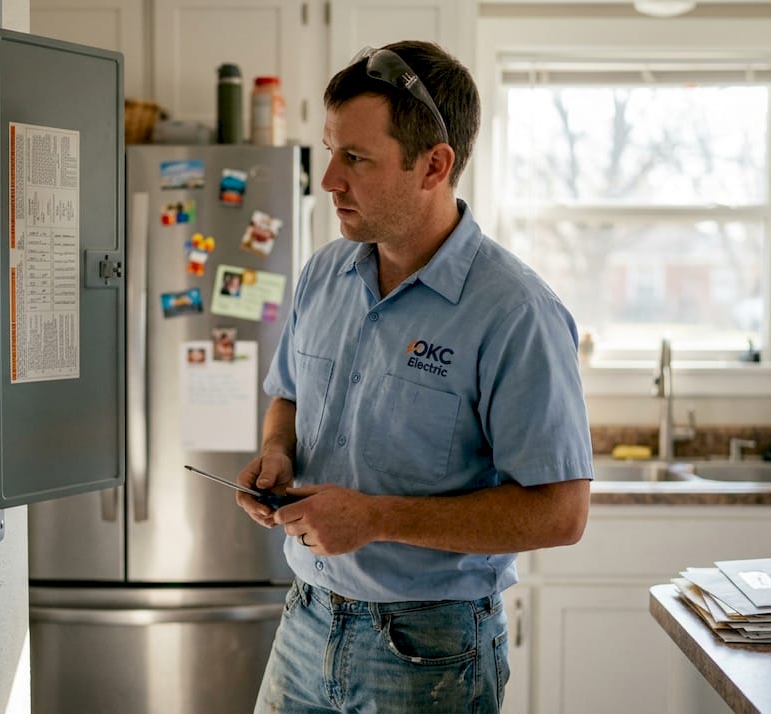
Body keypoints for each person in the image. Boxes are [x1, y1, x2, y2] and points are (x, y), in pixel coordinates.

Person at [236, 40, 593, 713]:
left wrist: (374, 519)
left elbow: (562, 513)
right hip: (306, 621)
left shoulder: (516, 311)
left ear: (434, 165)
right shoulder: (323, 274)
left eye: (356, 159)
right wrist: (277, 451)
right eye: (331, 151)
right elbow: (286, 392)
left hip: (430, 649)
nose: (329, 180)